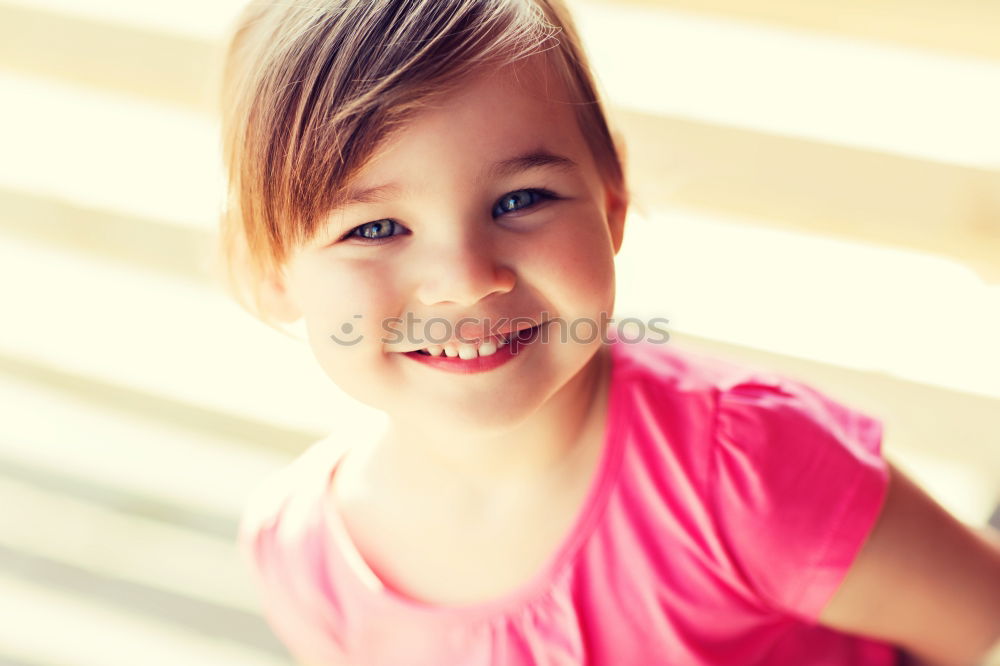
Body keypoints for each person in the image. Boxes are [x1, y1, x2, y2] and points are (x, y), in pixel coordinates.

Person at [215, 1, 1000, 664]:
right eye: (378, 226)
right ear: (270, 271)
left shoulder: (745, 472)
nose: (465, 278)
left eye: (521, 199)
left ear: (612, 201)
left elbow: (983, 622)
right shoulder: (303, 557)